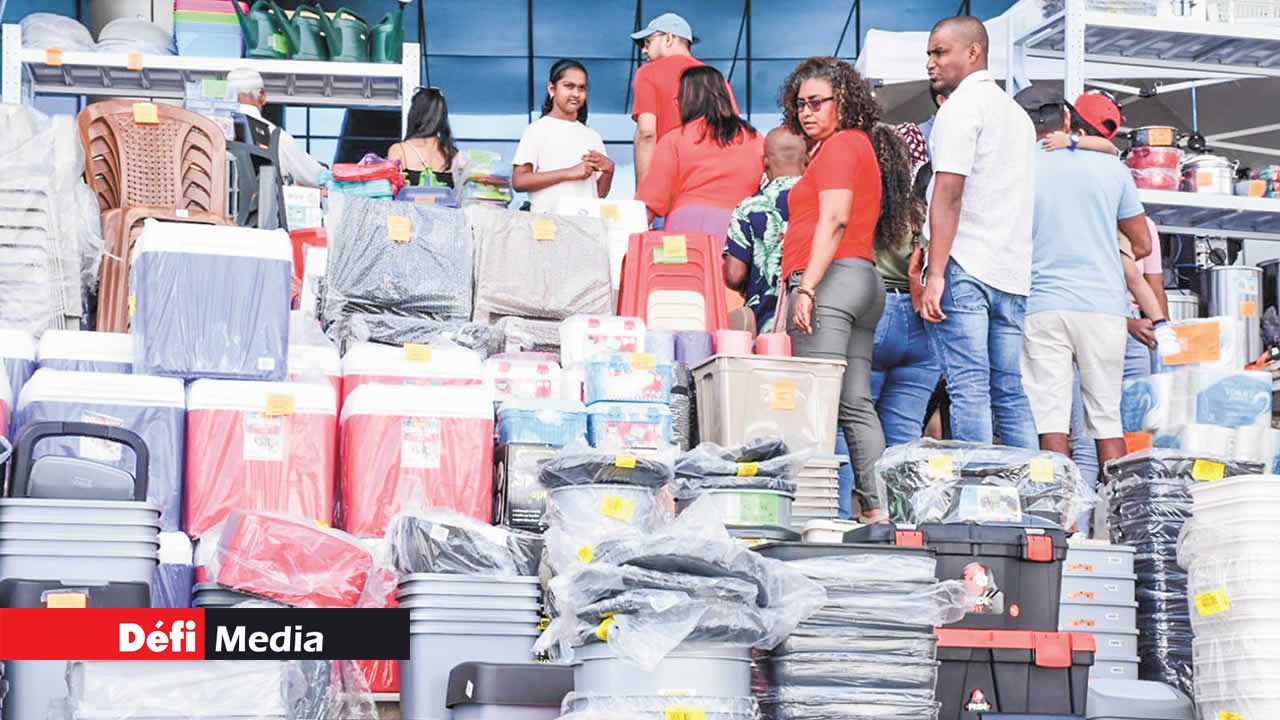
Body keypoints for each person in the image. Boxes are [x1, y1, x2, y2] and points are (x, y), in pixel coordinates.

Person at [778, 56, 912, 521]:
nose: (806, 112)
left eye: (817, 102)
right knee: (855, 404)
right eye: (800, 104)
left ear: (844, 101)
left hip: (831, 281)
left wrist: (808, 287)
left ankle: (812, 514)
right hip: (862, 279)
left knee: (814, 403)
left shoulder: (839, 147)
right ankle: (878, 510)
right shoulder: (857, 146)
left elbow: (834, 219)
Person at [1015, 85, 1154, 492]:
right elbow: (1143, 244)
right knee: (1106, 420)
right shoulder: (1113, 169)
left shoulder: (1020, 166)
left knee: (1051, 423)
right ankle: (1119, 512)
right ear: (1067, 120)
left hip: (1041, 304)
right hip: (1103, 307)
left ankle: (1061, 516)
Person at [918, 16, 1038, 449]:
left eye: (939, 52)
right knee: (1009, 390)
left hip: (965, 264)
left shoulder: (960, 108)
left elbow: (948, 193)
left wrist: (935, 273)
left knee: (969, 387)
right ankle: (1029, 486)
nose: (930, 63)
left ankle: (979, 483)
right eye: (930, 54)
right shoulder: (1018, 116)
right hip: (1011, 271)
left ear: (974, 51)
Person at [872, 122, 940, 448]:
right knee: (905, 432)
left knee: (852, 421)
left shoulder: (862, 208)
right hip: (921, 324)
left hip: (874, 314)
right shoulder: (921, 212)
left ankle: (857, 484)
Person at [634, 66, 764, 234]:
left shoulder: (675, 139)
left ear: (688, 100)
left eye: (679, 99)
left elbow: (652, 201)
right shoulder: (755, 138)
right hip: (742, 228)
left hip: (687, 228)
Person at [629, 13, 739, 185]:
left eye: (648, 42)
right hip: (715, 180)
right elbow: (734, 133)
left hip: (670, 179)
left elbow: (647, 134)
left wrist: (643, 190)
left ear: (668, 38)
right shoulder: (716, 79)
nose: (644, 50)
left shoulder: (648, 72)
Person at [723, 127, 808, 334]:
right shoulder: (823, 201)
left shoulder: (749, 208)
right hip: (815, 318)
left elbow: (734, 275)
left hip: (766, 325)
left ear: (766, 163)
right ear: (807, 160)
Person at [511, 59, 614, 214]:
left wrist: (609, 171)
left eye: (582, 88)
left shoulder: (593, 136)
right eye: (569, 86)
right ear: (552, 89)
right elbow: (519, 181)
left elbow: (598, 194)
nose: (576, 94)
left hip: (585, 223)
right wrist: (569, 173)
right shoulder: (536, 130)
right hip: (547, 223)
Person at [227, 68, 324, 187]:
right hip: (264, 199)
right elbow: (316, 177)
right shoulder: (277, 137)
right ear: (262, 96)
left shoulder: (212, 132)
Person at [388, 87, 459, 188]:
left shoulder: (399, 150)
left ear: (414, 114)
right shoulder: (452, 154)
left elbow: (391, 191)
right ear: (441, 117)